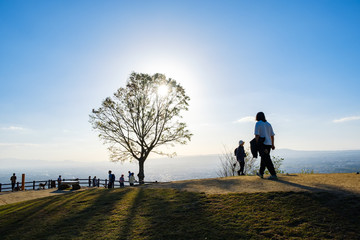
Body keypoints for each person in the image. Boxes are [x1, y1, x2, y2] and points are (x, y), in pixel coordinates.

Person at [254, 112, 278, 180]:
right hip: (269, 144)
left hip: (262, 144)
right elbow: (272, 135)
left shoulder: (258, 123)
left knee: (266, 159)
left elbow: (257, 135)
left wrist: (257, 144)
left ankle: (273, 174)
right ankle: (261, 173)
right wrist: (272, 144)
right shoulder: (268, 124)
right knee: (264, 158)